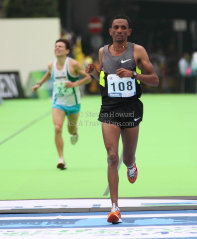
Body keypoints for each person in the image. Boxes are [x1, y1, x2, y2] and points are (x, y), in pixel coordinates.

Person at [86, 14, 159, 224]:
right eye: (115, 27)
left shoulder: (138, 51)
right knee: (111, 156)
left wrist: (134, 75)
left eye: (123, 27)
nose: (119, 30)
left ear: (129, 31)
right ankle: (115, 208)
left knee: (126, 158)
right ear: (110, 31)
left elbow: (154, 80)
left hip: (131, 108)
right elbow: (104, 77)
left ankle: (131, 164)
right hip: (109, 108)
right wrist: (93, 72)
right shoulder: (102, 52)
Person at [32, 39, 92, 169]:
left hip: (73, 103)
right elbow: (49, 74)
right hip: (58, 102)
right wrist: (39, 84)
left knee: (71, 128)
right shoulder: (51, 65)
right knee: (57, 128)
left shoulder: (74, 64)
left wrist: (74, 84)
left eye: (60, 46)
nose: (57, 48)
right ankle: (61, 159)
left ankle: (74, 132)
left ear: (67, 51)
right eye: (56, 46)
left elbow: (88, 78)